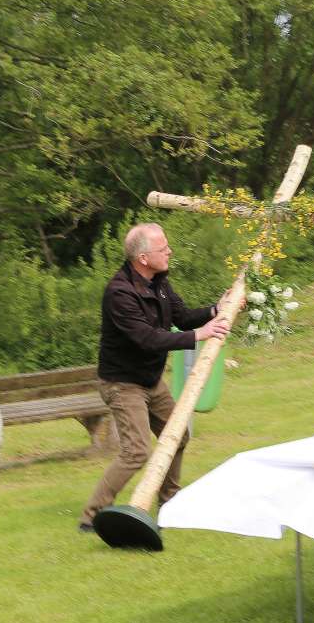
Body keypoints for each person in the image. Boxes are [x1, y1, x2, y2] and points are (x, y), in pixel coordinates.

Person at [79, 223, 229, 532]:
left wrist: (216, 309)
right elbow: (148, 339)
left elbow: (182, 316)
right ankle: (92, 517)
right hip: (122, 384)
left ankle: (170, 502)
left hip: (150, 380)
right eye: (164, 249)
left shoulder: (159, 282)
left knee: (179, 436)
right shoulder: (119, 293)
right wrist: (198, 335)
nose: (170, 251)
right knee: (137, 451)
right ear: (144, 257)